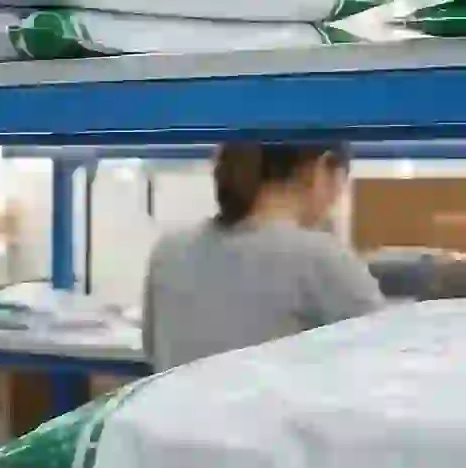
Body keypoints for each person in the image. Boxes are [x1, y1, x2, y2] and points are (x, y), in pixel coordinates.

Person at [141, 141, 382, 371]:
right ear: (321, 169)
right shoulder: (323, 259)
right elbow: (388, 368)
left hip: (180, 414)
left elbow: (153, 354)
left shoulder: (169, 252)